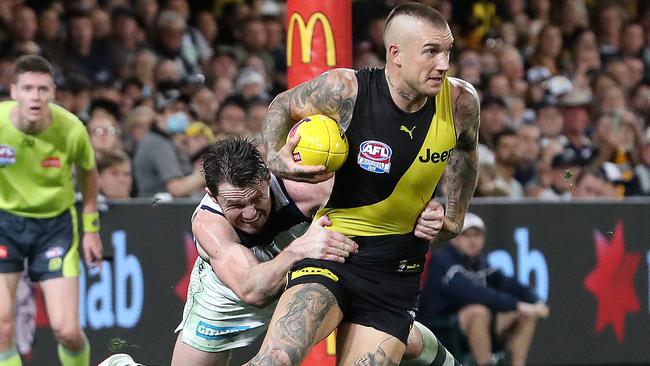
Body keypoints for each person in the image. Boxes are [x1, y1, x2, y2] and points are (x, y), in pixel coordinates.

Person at [249, 3, 479, 365]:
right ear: (395, 53)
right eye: (431, 52)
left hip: (396, 272)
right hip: (334, 253)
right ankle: (425, 347)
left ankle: (421, 344)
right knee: (274, 360)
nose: (444, 64)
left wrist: (452, 218)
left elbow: (466, 153)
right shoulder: (346, 90)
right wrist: (278, 161)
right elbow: (282, 105)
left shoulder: (461, 102)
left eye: (448, 51)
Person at [169, 137, 454, 366]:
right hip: (228, 304)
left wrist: (428, 217)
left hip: (308, 281)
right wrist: (298, 250)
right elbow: (251, 291)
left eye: (256, 198)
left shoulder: (308, 188)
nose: (251, 213)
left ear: (267, 176)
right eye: (235, 205)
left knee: (400, 338)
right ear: (211, 194)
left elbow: (388, 213)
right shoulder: (209, 225)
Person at [0, 55, 103, 366]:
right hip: (5, 224)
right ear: (13, 91)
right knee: (2, 326)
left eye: (43, 89)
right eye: (28, 88)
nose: (36, 96)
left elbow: (88, 172)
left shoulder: (71, 129)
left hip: (55, 227)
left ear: (53, 93)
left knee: (67, 330)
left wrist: (91, 229)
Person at [418, 213, 549, 366]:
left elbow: (508, 283)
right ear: (454, 238)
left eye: (477, 236)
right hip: (439, 327)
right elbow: (471, 293)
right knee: (479, 311)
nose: (473, 241)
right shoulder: (442, 260)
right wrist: (517, 305)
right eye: (466, 236)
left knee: (525, 316)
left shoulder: (479, 263)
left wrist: (536, 301)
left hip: (473, 329)